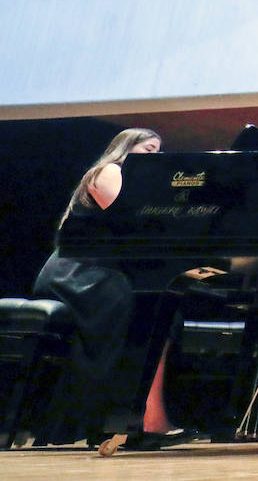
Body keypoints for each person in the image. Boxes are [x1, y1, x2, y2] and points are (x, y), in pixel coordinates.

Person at [31, 128, 188, 448]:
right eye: (148, 149)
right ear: (125, 148)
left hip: (102, 273)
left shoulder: (138, 184)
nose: (155, 157)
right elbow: (126, 220)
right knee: (125, 304)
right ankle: (99, 420)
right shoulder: (108, 171)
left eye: (159, 151)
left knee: (164, 314)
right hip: (77, 275)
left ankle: (147, 419)